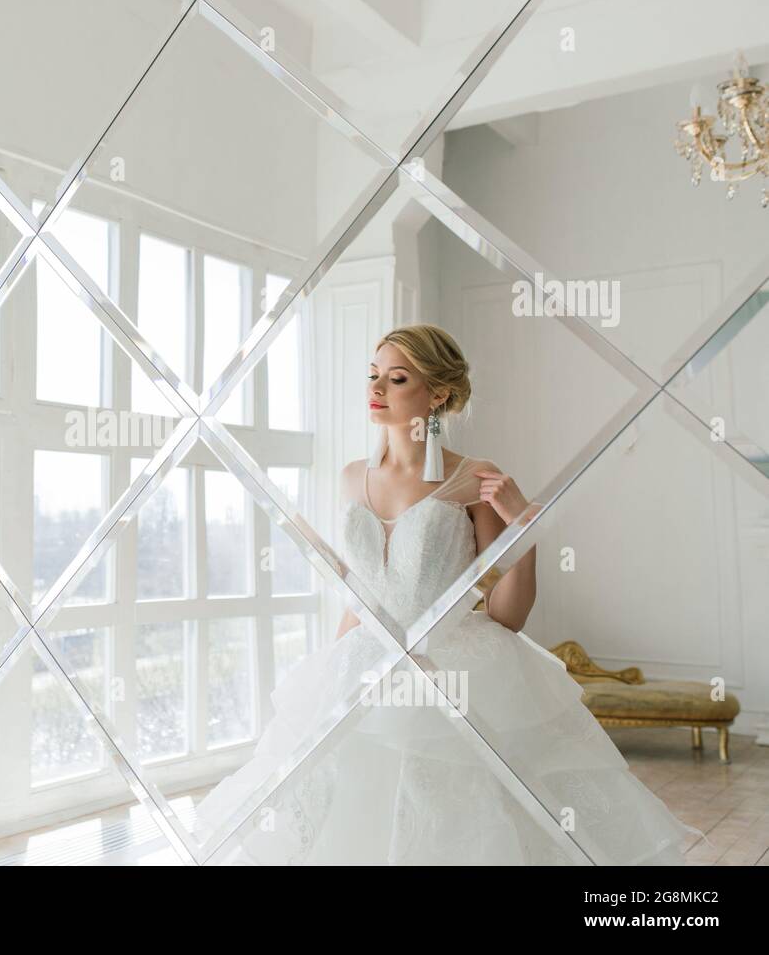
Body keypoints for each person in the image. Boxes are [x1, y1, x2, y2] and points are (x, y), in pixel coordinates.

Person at [192, 324, 708, 865]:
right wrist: (333, 666)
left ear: (437, 394)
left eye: (397, 378)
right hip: (364, 657)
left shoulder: (475, 476)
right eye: (374, 376)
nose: (377, 389)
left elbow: (507, 615)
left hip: (459, 665)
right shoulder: (349, 478)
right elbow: (361, 594)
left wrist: (522, 529)